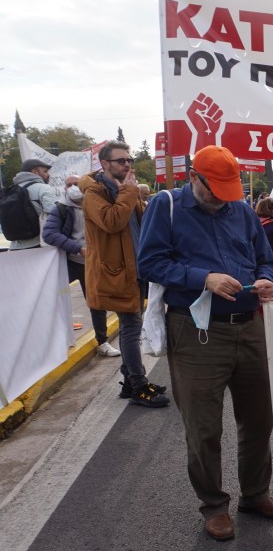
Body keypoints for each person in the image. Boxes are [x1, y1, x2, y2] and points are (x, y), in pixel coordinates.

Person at [137, 145, 273, 541]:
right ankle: (214, 506)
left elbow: (265, 259)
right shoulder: (166, 206)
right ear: (194, 178)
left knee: (259, 419)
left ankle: (255, 494)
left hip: (249, 325)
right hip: (196, 330)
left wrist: (268, 280)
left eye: (227, 191)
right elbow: (149, 263)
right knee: (203, 427)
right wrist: (203, 278)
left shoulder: (242, 210)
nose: (221, 199)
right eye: (214, 190)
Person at [79, 141, 168, 407]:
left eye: (129, 160)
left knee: (133, 324)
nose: (127, 164)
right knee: (131, 326)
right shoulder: (95, 193)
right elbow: (112, 221)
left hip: (134, 268)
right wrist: (130, 192)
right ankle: (138, 386)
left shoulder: (125, 188)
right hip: (115, 272)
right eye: (121, 160)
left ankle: (130, 381)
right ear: (105, 164)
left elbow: (139, 224)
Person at [41, 175, 120, 357]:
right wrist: (77, 248)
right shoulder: (61, 208)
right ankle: (55, 341)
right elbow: (49, 234)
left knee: (96, 303)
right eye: (69, 185)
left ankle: (102, 342)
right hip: (70, 262)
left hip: (93, 264)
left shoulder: (97, 206)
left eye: (76, 184)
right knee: (55, 300)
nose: (73, 187)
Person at [6, 158, 58, 251]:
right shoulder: (43, 188)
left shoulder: (10, 190)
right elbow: (54, 215)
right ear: (35, 171)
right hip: (40, 245)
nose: (48, 174)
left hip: (15, 247)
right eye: (45, 171)